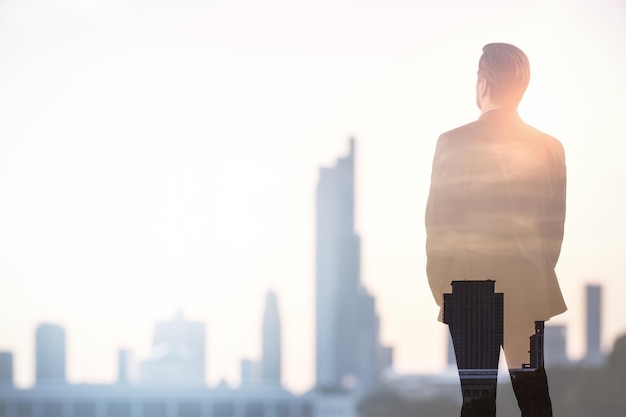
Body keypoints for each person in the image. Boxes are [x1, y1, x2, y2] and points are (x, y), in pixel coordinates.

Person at [425, 43, 567, 417]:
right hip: (526, 286)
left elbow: (439, 225)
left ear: (484, 81)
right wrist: (534, 273)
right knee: (535, 398)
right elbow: (553, 231)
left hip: (471, 291)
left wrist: (443, 289)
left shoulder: (453, 143)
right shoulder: (550, 148)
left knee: (478, 403)